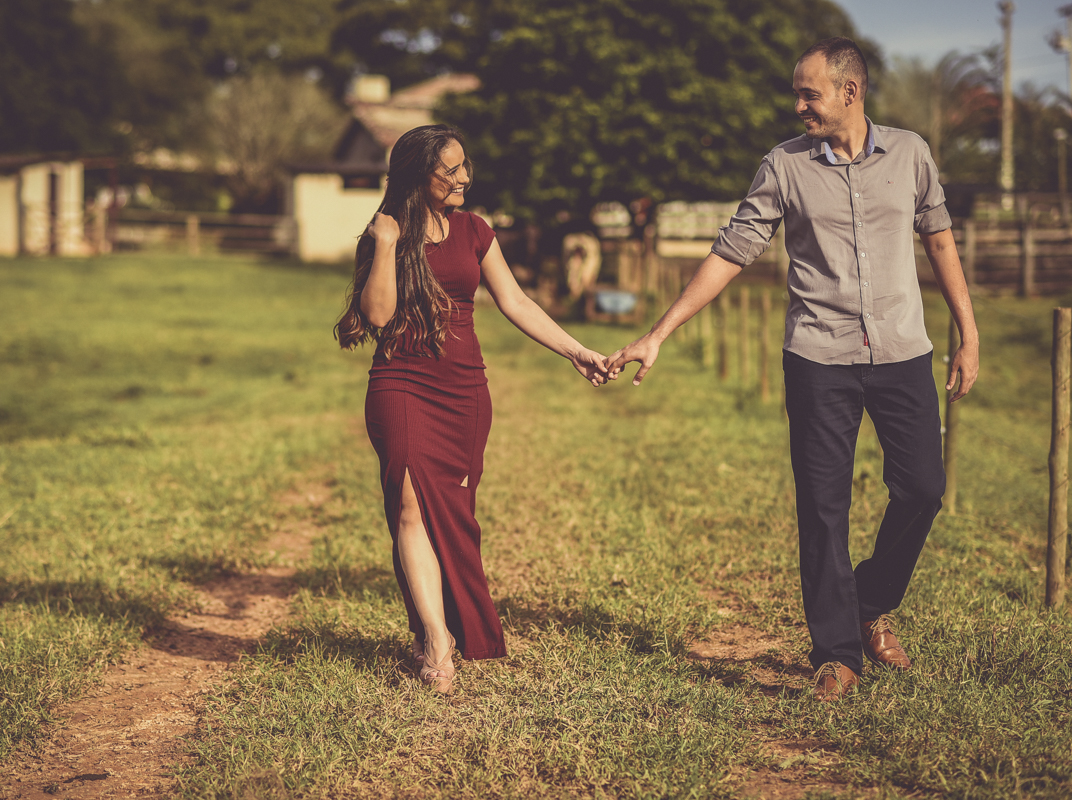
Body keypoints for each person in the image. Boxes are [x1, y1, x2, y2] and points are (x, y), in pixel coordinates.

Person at [605, 38, 979, 702]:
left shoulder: (912, 155)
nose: (797, 104)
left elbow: (941, 239)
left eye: (809, 92)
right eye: (797, 92)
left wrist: (968, 333)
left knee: (923, 487)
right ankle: (836, 654)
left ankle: (870, 602)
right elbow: (731, 252)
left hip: (902, 352)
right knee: (823, 507)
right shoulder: (783, 166)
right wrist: (659, 332)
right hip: (817, 359)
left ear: (849, 93)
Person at [336, 124, 609, 694]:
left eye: (465, 166)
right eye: (451, 169)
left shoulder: (476, 231)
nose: (465, 178)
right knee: (410, 505)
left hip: (464, 392)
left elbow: (514, 301)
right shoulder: (384, 234)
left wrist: (575, 350)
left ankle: (440, 625)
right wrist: (386, 245)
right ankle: (436, 639)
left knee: (452, 515)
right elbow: (380, 317)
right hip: (401, 384)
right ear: (419, 176)